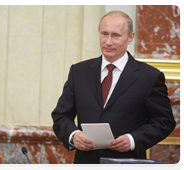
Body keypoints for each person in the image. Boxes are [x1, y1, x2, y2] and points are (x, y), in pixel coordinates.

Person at [51, 10, 176, 170]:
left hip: (127, 165)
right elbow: (61, 116)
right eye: (104, 34)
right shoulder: (79, 72)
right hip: (86, 165)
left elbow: (164, 121)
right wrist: (74, 136)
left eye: (116, 35)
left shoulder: (150, 77)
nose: (108, 41)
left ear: (130, 37)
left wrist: (132, 140)